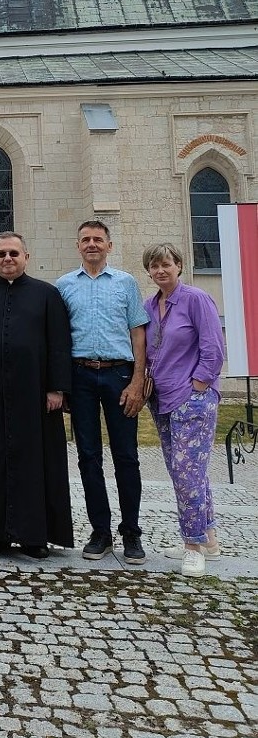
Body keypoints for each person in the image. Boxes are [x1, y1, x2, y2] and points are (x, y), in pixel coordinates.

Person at [0, 232, 73, 559]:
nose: (8, 259)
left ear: (26, 257)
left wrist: (56, 388)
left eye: (14, 253)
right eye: (1, 253)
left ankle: (36, 536)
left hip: (35, 395)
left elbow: (59, 343)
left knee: (36, 463)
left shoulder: (47, 295)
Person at [56, 220, 150, 564]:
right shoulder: (64, 285)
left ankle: (131, 532)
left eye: (98, 239)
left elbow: (138, 332)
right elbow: (59, 337)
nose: (92, 244)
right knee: (88, 456)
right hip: (80, 376)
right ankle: (101, 531)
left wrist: (138, 380)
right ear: (78, 245)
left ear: (109, 245)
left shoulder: (126, 283)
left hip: (119, 375)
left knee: (126, 456)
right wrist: (61, 385)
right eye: (85, 239)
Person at [143, 243, 225, 577]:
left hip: (191, 398)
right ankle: (210, 539)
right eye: (154, 266)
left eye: (166, 264)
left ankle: (192, 546)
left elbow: (214, 348)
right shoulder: (150, 305)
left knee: (188, 472)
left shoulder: (195, 299)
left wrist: (200, 385)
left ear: (179, 265)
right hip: (161, 398)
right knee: (187, 472)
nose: (160, 271)